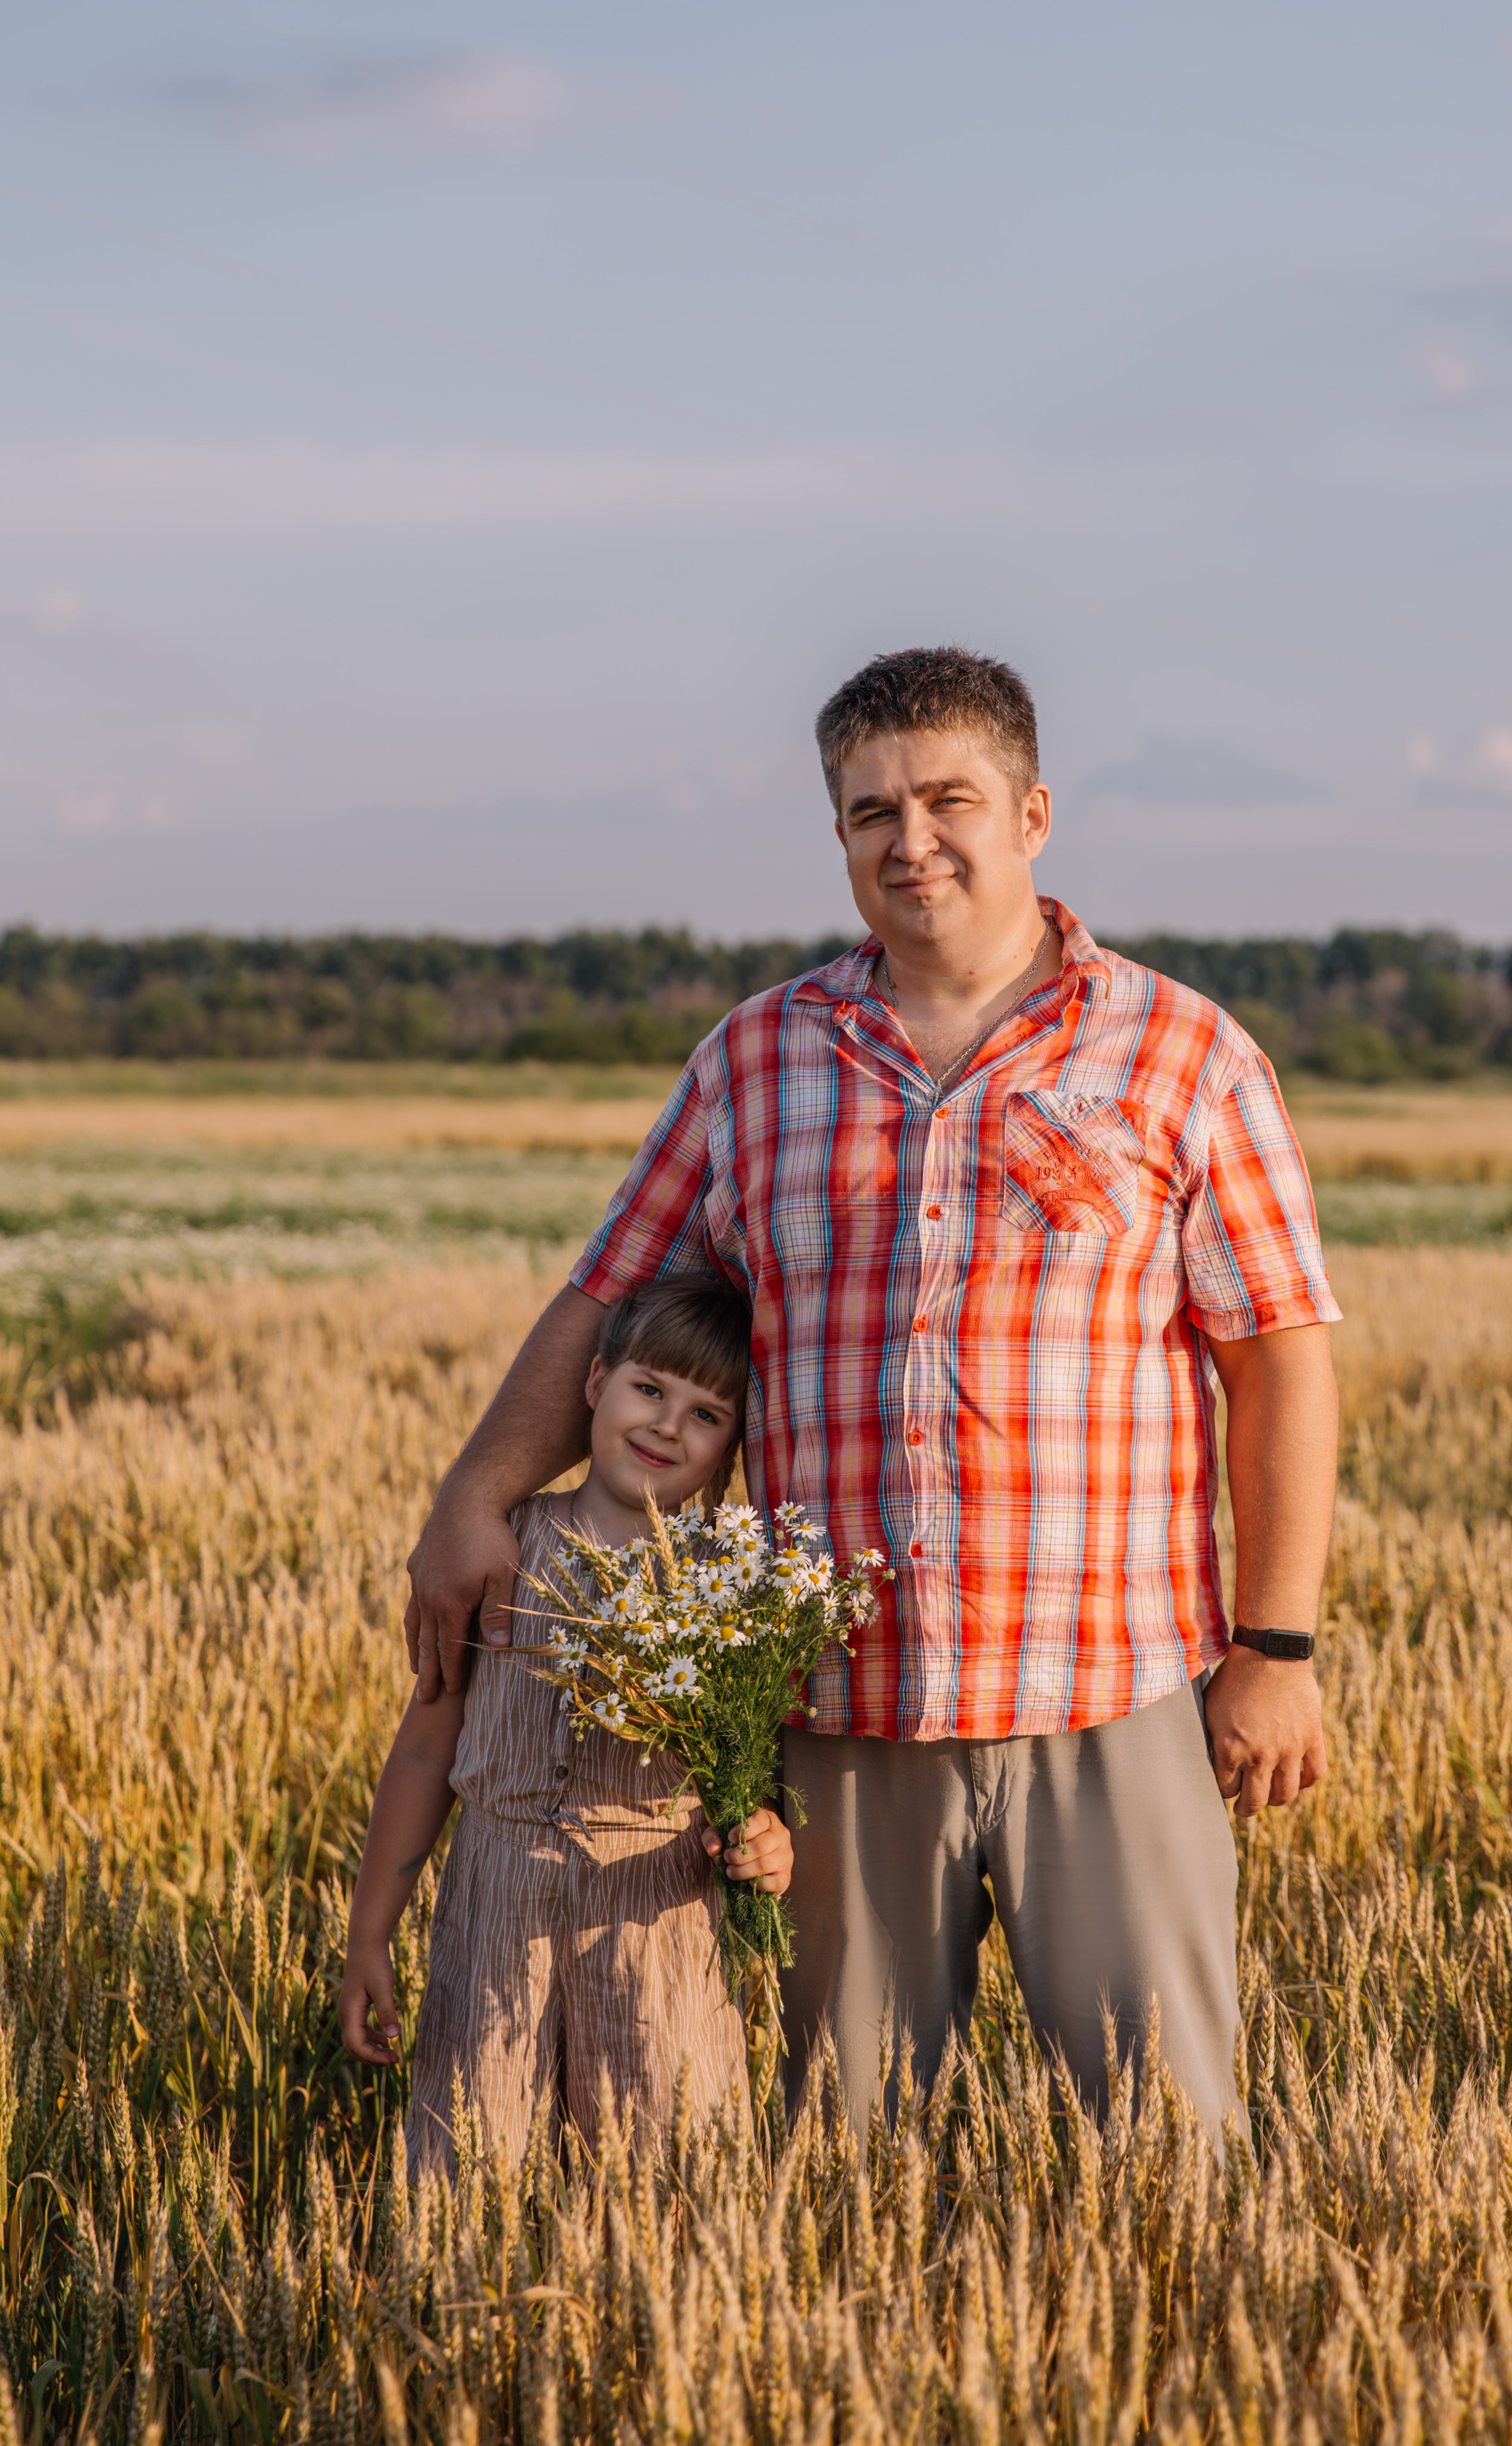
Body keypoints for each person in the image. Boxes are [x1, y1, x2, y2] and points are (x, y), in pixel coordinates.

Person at [403, 647, 1341, 2141]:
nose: (910, 841)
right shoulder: (758, 1061)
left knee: (1168, 2139)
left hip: (1104, 1687)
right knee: (844, 2147)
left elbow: (1275, 1354)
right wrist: (473, 1496)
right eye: (868, 813)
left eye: (946, 799)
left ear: (1031, 812)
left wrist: (1273, 1647)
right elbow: (606, 1296)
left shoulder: (1181, 1054)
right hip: (837, 1711)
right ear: (836, 836)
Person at [339, 1274, 793, 2168]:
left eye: (706, 1415)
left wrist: (767, 1840)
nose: (667, 1425)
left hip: (654, 1918)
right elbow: (428, 1746)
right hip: (494, 1910)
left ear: (735, 1448)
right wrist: (369, 1935)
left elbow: (754, 1777)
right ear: (594, 1384)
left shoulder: (729, 1590)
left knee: (668, 2179)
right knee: (472, 2168)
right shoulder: (500, 1550)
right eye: (650, 1389)